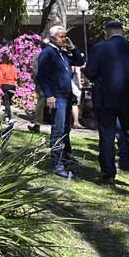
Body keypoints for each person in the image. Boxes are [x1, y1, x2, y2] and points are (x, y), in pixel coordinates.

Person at [84, 21, 129, 188]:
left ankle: (108, 175)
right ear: (123, 31)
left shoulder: (99, 48)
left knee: (106, 137)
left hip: (106, 99)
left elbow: (91, 73)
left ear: (106, 32)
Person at [36, 26, 85, 178]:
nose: (64, 39)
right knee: (58, 130)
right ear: (52, 38)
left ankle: (66, 157)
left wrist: (72, 46)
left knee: (65, 129)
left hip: (66, 96)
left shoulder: (62, 53)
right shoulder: (47, 53)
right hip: (57, 97)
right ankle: (57, 163)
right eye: (61, 37)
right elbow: (41, 76)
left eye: (65, 36)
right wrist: (49, 95)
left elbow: (79, 60)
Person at [27, 37, 49, 133]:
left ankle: (38, 124)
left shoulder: (38, 56)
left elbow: (35, 71)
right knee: (42, 101)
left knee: (41, 102)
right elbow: (36, 71)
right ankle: (37, 124)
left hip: (45, 82)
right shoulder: (40, 56)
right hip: (44, 82)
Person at [0, 53, 18, 123]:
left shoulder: (0, 66)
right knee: (7, 102)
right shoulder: (13, 67)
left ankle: (9, 118)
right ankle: (6, 117)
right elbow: (15, 78)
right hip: (13, 86)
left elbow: (0, 77)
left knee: (6, 102)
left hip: (5, 85)